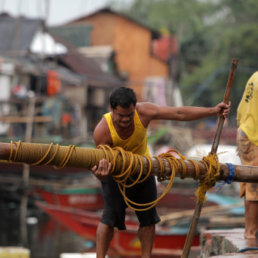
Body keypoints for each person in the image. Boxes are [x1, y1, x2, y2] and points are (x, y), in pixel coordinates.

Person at [92, 87, 230, 258]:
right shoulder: (102, 131)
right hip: (115, 173)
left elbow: (178, 113)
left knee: (149, 219)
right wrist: (101, 175)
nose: (126, 120)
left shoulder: (144, 112)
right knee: (109, 217)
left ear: (135, 108)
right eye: (121, 116)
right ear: (112, 110)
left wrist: (213, 111)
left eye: (130, 115)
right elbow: (100, 170)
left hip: (144, 168)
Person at [236, 71, 258, 239]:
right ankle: (250, 232)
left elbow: (241, 108)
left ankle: (250, 230)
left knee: (250, 181)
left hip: (244, 131)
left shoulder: (254, 77)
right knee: (254, 186)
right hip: (254, 137)